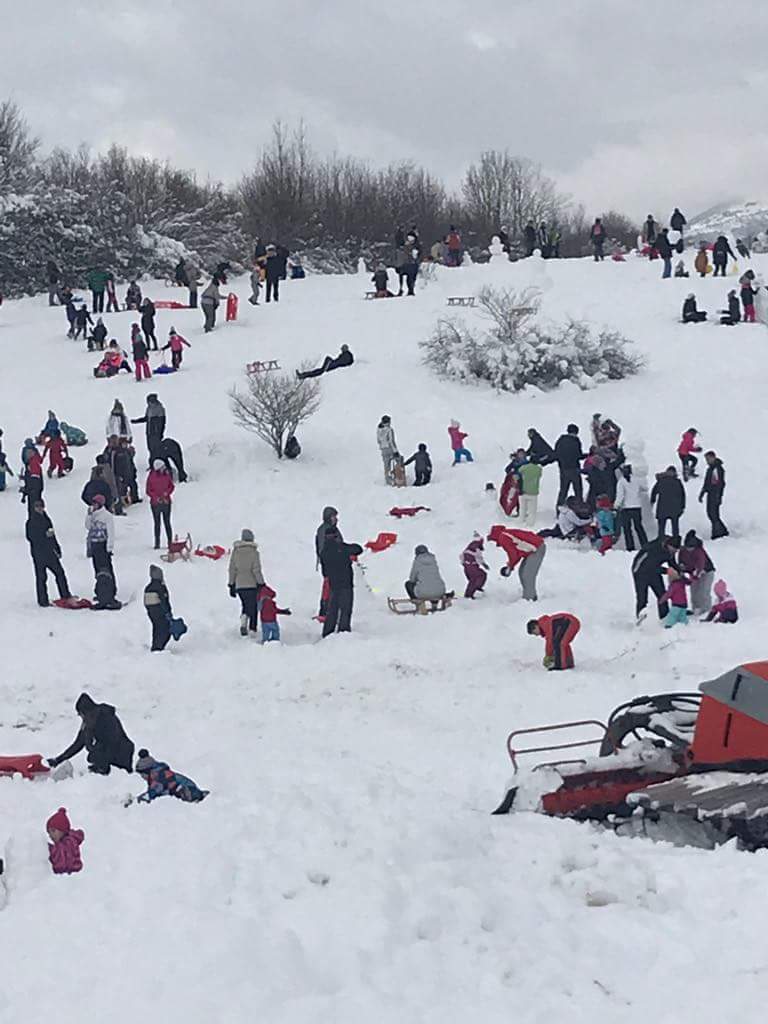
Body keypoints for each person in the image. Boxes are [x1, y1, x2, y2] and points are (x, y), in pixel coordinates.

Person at [48, 692, 134, 774]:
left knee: (95, 754)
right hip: (109, 754)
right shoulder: (89, 723)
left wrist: (103, 766)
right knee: (93, 755)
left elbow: (113, 742)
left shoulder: (106, 717)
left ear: (86, 711)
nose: (81, 717)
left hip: (122, 754)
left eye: (80, 714)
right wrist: (58, 760)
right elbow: (78, 744)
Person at [26, 499, 71, 607]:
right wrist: (44, 536)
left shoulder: (47, 519)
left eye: (41, 506)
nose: (39, 508)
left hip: (50, 552)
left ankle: (65, 595)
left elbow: (52, 535)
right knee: (41, 577)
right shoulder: (31, 521)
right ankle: (43, 600)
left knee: (60, 573)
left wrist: (57, 547)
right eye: (37, 507)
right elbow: (30, 537)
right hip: (38, 553)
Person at [320, 534, 364, 637]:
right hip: (346, 584)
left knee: (332, 610)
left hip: (334, 585)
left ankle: (327, 632)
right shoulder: (342, 548)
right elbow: (358, 549)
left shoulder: (324, 552)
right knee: (345, 609)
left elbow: (325, 573)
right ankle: (344, 631)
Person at [488, 524, 546, 600]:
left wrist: (510, 566)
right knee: (522, 572)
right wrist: (510, 566)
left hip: (537, 549)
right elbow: (517, 554)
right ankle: (528, 594)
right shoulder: (506, 534)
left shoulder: (503, 537)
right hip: (533, 550)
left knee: (527, 574)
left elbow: (513, 555)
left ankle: (530, 598)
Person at [632, 535, 678, 622]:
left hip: (654, 572)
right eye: (673, 550)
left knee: (662, 594)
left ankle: (664, 616)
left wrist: (678, 571)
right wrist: (667, 571)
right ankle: (641, 618)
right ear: (668, 545)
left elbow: (672, 563)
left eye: (676, 551)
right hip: (640, 571)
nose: (674, 552)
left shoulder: (670, 551)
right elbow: (650, 566)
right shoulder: (654, 549)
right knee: (642, 597)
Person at [134, 749, 208, 803]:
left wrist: (140, 799)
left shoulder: (159, 776)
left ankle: (195, 797)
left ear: (147, 771)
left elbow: (154, 791)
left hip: (190, 790)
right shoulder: (159, 772)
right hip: (189, 789)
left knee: (178, 791)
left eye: (142, 775)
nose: (142, 777)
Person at [228, 528, 264, 636]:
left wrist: (231, 584)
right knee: (253, 607)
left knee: (245, 604)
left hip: (239, 585)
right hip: (252, 585)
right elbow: (256, 570)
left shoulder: (236, 552)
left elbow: (232, 569)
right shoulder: (254, 553)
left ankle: (244, 618)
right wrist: (261, 583)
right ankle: (252, 628)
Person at [679, 530, 715, 617]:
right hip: (693, 572)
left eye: (691, 547)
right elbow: (681, 562)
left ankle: (706, 610)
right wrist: (682, 570)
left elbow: (700, 565)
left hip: (706, 572)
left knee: (704, 591)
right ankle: (696, 609)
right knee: (694, 591)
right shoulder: (682, 551)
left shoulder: (699, 551)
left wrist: (696, 575)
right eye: (687, 547)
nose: (689, 549)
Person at [85, 493, 115, 589]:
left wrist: (109, 547)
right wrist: (89, 515)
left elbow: (111, 532)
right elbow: (88, 526)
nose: (93, 505)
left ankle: (111, 587)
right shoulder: (92, 514)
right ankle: (100, 587)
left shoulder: (107, 516)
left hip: (103, 544)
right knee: (96, 567)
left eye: (95, 504)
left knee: (106, 567)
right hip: (94, 544)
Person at [614, 464, 647, 551]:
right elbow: (644, 488)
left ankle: (630, 547)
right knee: (639, 527)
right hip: (637, 506)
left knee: (627, 529)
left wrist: (616, 506)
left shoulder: (621, 482)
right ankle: (645, 544)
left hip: (626, 508)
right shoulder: (636, 480)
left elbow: (620, 495)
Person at [554, 424, 585, 508]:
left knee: (563, 490)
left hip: (563, 469)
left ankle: (559, 508)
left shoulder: (560, 440)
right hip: (574, 469)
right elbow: (578, 455)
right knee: (578, 490)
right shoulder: (576, 441)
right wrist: (587, 455)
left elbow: (556, 454)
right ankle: (580, 508)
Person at [46, 808, 84, 875]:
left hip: (73, 876)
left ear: (62, 831)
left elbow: (61, 858)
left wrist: (48, 849)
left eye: (53, 831)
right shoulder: (62, 843)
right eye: (49, 832)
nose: (51, 835)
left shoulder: (70, 842)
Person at [699, 450, 728, 539]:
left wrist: (718, 495)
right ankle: (721, 531)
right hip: (711, 494)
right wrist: (702, 492)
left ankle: (718, 532)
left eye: (708, 459)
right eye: (706, 459)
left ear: (713, 458)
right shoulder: (710, 469)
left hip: (714, 495)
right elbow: (707, 482)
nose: (707, 461)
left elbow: (719, 484)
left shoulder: (716, 469)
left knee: (713, 514)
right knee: (711, 514)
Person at [143, 564, 173, 651]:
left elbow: (145, 602)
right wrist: (168, 612)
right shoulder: (161, 587)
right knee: (164, 628)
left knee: (156, 628)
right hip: (160, 611)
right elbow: (164, 600)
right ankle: (159, 647)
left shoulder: (148, 588)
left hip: (151, 612)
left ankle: (155, 645)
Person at [131, 394, 166, 466]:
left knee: (156, 450)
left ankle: (157, 464)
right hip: (149, 433)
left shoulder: (159, 408)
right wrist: (136, 421)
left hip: (156, 433)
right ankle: (152, 464)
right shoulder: (149, 408)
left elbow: (162, 422)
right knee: (150, 449)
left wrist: (160, 433)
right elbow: (146, 418)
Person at [650, 466, 685, 538]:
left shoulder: (661, 481)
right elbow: (682, 495)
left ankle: (661, 540)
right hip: (673, 508)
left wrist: (652, 500)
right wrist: (682, 506)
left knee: (662, 528)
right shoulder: (676, 482)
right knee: (674, 528)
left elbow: (654, 491)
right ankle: (674, 540)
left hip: (663, 508)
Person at [146, 460, 174, 549]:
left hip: (166, 501)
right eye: (162, 467)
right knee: (157, 523)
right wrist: (156, 497)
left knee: (167, 522)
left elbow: (171, 486)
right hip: (155, 503)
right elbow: (148, 490)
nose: (164, 468)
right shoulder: (151, 476)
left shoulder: (167, 475)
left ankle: (170, 542)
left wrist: (166, 493)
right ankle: (157, 543)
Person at [461, 533, 488, 599]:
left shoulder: (469, 547)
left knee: (472, 580)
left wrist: (464, 564)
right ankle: (475, 589)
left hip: (467, 567)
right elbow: (479, 558)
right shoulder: (477, 548)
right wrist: (484, 564)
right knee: (482, 575)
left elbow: (461, 556)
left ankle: (469, 593)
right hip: (473, 566)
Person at [518, 459, 542, 526]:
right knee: (532, 511)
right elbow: (540, 475)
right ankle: (530, 524)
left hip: (523, 492)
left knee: (522, 509)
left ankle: (520, 522)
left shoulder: (524, 467)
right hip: (533, 493)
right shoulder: (538, 469)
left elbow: (518, 473)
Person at [376, 415, 398, 485]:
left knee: (386, 465)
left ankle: (388, 480)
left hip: (383, 449)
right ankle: (397, 478)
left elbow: (378, 440)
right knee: (397, 462)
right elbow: (391, 441)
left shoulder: (379, 429)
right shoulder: (389, 429)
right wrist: (395, 451)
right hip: (390, 448)